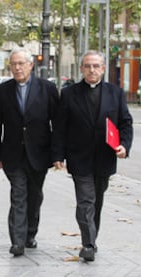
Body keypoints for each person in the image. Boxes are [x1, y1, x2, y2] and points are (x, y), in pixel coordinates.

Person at [53, 50, 133, 262]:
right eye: (88, 66)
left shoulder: (115, 93)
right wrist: (58, 155)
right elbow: (60, 127)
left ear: (103, 69)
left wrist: (124, 146)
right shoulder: (69, 94)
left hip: (105, 157)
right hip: (79, 157)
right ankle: (87, 244)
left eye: (96, 66)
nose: (92, 70)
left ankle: (92, 237)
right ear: (81, 69)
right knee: (85, 201)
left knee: (96, 202)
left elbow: (125, 123)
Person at [0, 48, 59, 257]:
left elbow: (57, 123)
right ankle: (17, 241)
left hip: (39, 152)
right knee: (18, 194)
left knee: (34, 196)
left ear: (31, 65)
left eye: (21, 63)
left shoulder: (47, 89)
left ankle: (30, 233)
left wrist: (57, 155)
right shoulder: (2, 91)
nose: (17, 67)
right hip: (12, 154)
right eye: (13, 64)